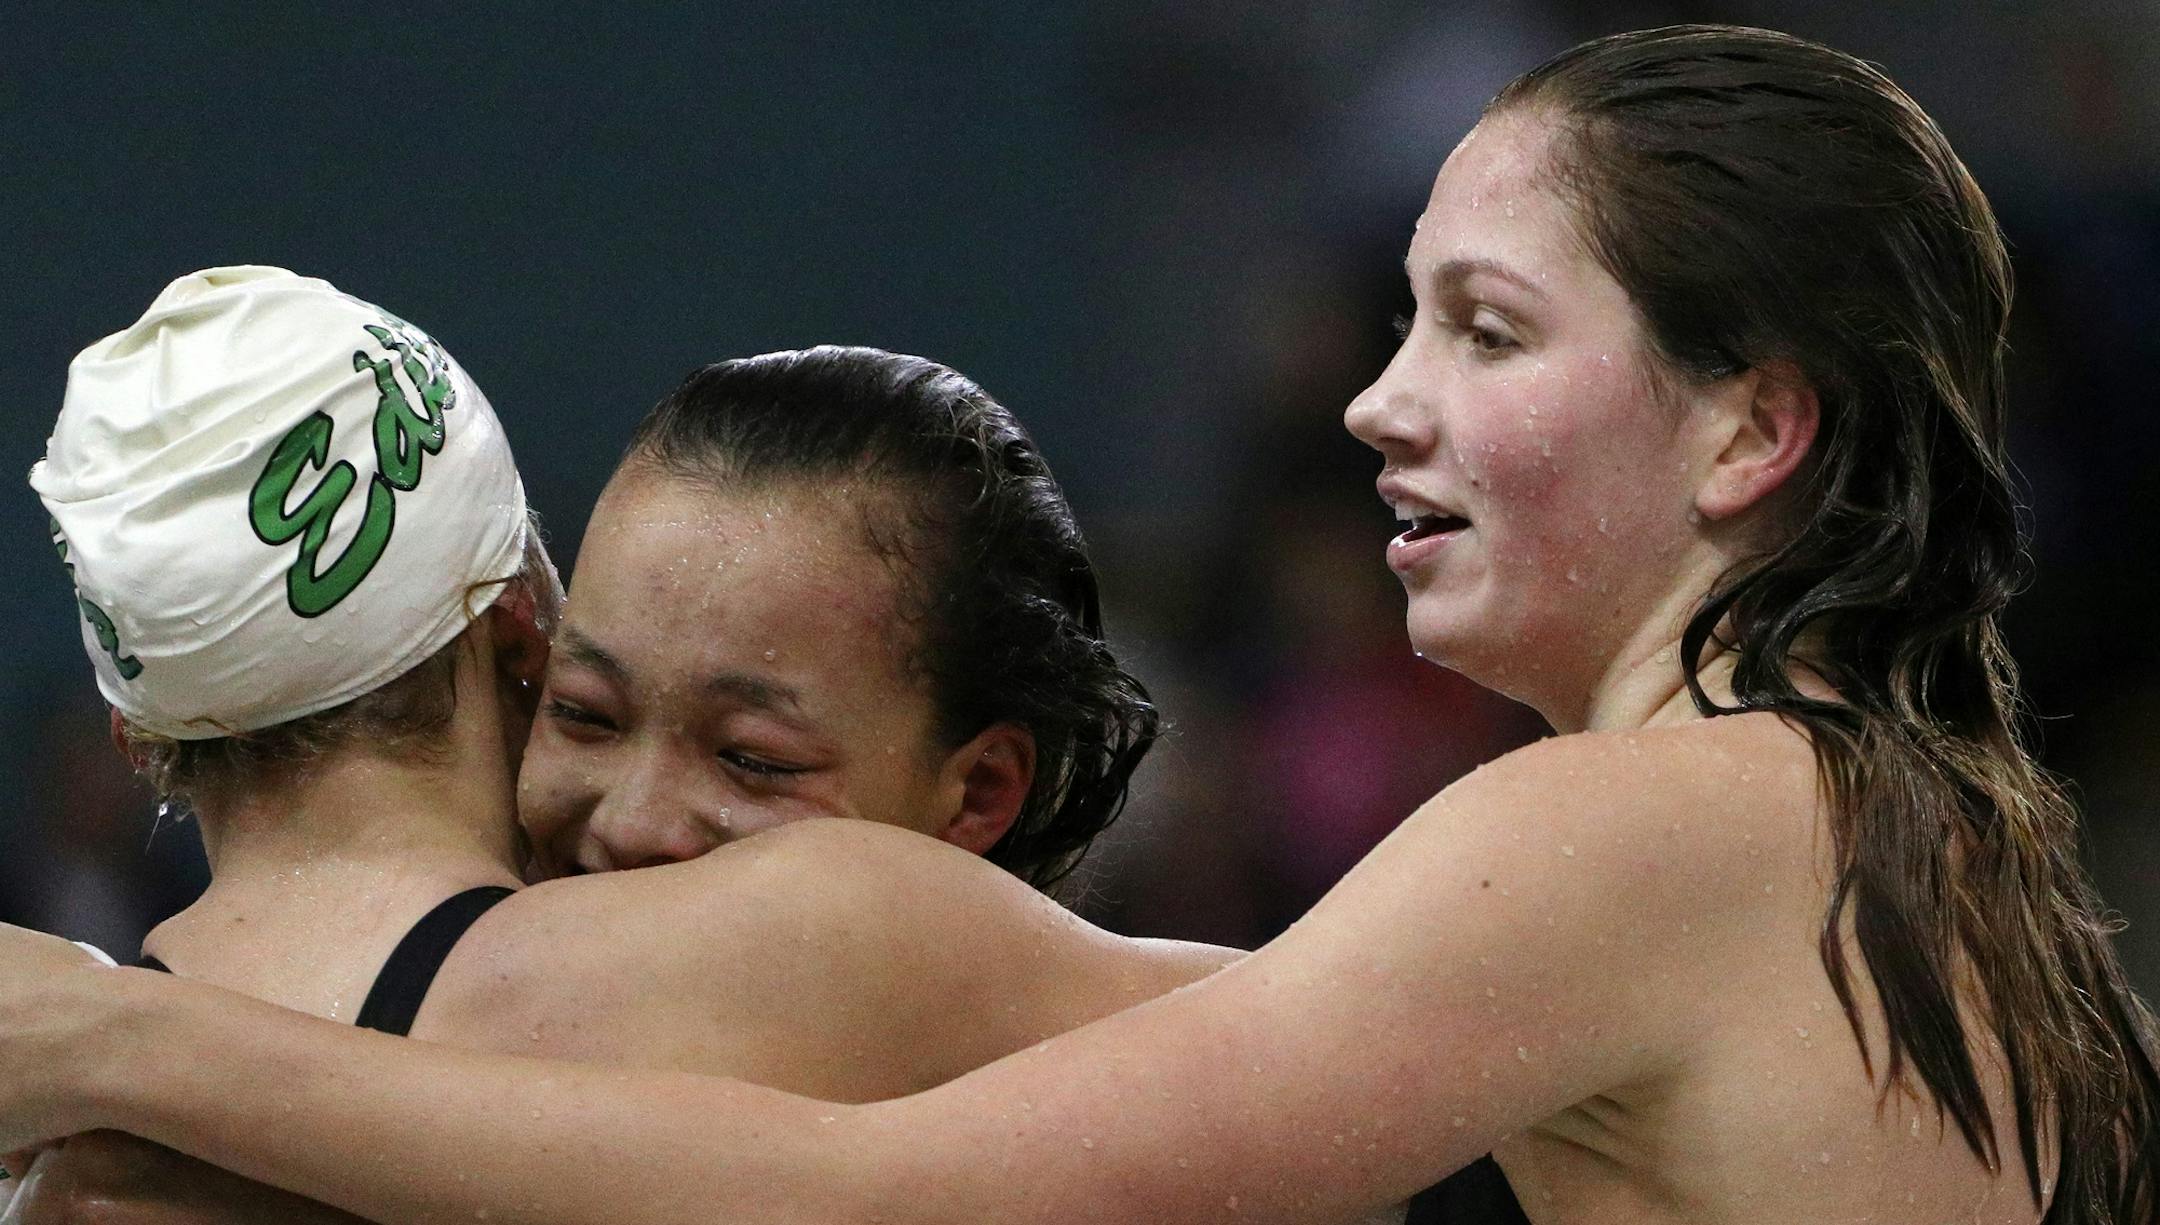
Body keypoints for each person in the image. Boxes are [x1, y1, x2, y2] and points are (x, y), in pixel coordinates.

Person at [2, 23, 2155, 1225]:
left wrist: (137, 1038)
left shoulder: (1643, 829)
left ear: (1749, 426)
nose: (1378, 401)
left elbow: (874, 1199)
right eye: (1405, 314)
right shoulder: (1895, 838)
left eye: (1487, 331)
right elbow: (1151, 1015)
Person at [5, 275, 1238, 1219]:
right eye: (587, 715)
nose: (638, 820)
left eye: (754, 758)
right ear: (518, 626)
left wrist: (134, 1044)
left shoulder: (77, 1131)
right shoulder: (831, 947)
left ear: (138, 731)